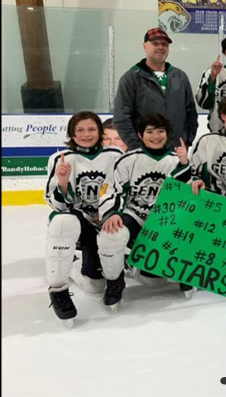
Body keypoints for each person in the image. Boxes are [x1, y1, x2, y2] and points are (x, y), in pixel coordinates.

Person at [97, 113, 192, 310]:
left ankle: (184, 271)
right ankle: (114, 281)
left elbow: (188, 195)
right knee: (111, 234)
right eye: (150, 132)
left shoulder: (176, 160)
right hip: (134, 215)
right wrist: (112, 213)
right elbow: (112, 188)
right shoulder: (128, 160)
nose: (156, 136)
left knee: (154, 280)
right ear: (140, 135)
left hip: (164, 220)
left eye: (160, 131)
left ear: (167, 134)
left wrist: (184, 165)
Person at [44, 112, 123, 326]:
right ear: (72, 133)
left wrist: (107, 213)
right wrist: (62, 182)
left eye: (91, 129)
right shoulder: (60, 159)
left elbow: (118, 190)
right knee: (63, 223)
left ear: (99, 132)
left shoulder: (114, 155)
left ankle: (115, 279)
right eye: (80, 130)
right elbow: (58, 206)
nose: (86, 134)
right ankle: (58, 290)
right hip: (78, 223)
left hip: (103, 219)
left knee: (96, 285)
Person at [114, 28, 198, 151]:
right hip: (145, 152)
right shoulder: (131, 78)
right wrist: (138, 147)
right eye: (155, 43)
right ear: (145, 46)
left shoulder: (180, 77)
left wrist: (188, 141)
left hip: (176, 151)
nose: (160, 47)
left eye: (164, 44)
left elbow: (190, 112)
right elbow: (122, 118)